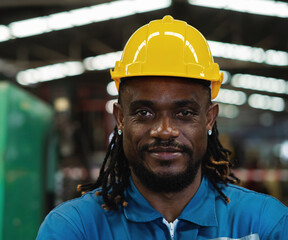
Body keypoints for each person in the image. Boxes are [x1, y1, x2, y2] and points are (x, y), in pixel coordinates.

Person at [36, 15, 288, 240]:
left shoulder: (264, 224)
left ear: (210, 118)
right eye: (144, 112)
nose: (165, 130)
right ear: (121, 118)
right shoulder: (74, 228)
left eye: (185, 113)